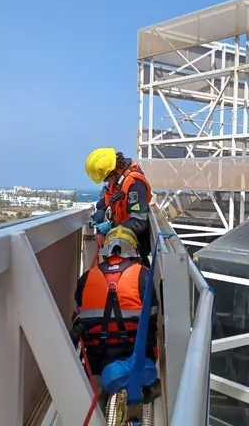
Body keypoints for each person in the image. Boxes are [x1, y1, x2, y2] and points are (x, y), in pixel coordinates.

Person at [70, 226, 160, 406]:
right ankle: (144, 391)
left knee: (93, 391)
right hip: (135, 352)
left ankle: (98, 395)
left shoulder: (86, 278)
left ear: (106, 249)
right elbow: (152, 318)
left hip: (97, 356)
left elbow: (80, 310)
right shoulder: (142, 274)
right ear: (133, 249)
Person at [86, 148, 152, 267]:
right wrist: (102, 211)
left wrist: (111, 226)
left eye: (106, 177)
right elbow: (107, 200)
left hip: (134, 252)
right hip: (120, 247)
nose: (106, 181)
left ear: (114, 170)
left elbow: (139, 223)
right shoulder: (118, 182)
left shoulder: (135, 183)